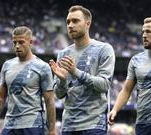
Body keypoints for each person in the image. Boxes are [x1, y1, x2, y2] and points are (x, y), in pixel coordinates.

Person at [49, 5, 115, 135]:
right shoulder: (63, 54)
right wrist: (62, 81)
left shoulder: (104, 49)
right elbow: (59, 94)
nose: (70, 25)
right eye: (68, 22)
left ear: (87, 24)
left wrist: (76, 72)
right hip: (69, 125)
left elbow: (104, 85)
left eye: (75, 21)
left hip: (94, 125)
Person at [0, 26, 56, 135]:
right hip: (9, 124)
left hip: (32, 124)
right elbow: (1, 97)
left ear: (31, 42)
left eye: (21, 42)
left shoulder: (42, 67)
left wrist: (52, 130)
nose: (17, 46)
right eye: (14, 42)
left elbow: (49, 101)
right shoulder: (7, 65)